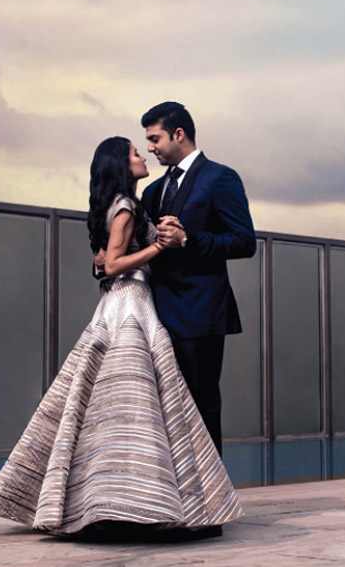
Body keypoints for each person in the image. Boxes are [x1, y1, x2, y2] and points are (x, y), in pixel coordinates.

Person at [0, 137, 243, 537]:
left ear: (178, 134)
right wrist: (157, 245)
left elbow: (105, 260)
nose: (145, 153)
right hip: (132, 303)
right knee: (135, 404)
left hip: (133, 302)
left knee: (111, 404)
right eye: (138, 151)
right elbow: (116, 263)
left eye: (150, 141)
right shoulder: (130, 203)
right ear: (122, 164)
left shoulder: (133, 201)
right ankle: (138, 500)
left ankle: (111, 497)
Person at [134, 102, 257, 452]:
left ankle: (209, 500)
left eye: (154, 138)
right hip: (155, 313)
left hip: (199, 313)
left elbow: (245, 242)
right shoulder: (152, 192)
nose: (150, 148)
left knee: (201, 404)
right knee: (160, 408)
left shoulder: (220, 178)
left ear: (178, 134)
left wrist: (187, 239)